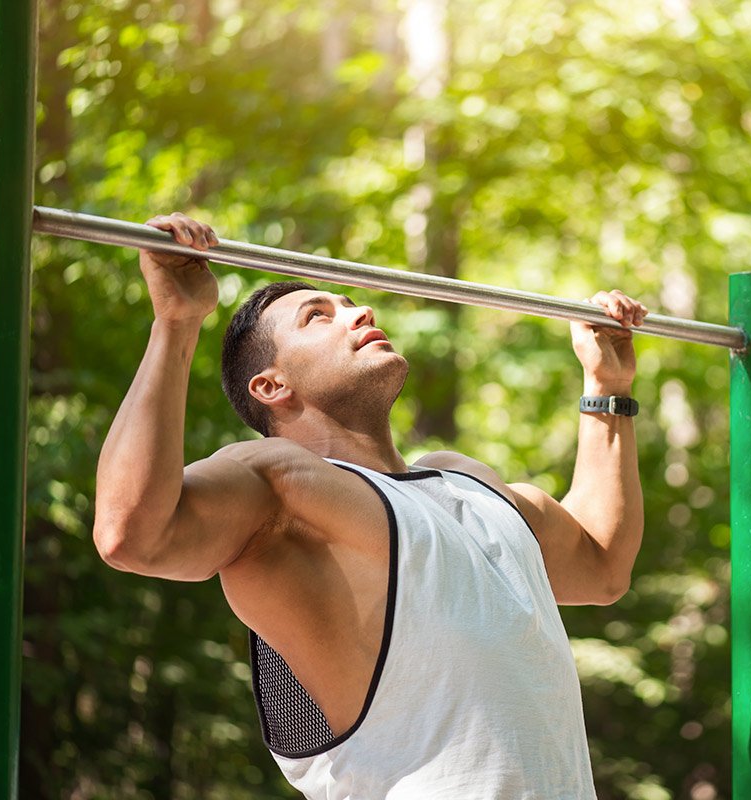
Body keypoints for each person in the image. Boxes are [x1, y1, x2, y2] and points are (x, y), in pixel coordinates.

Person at [93, 212, 648, 799]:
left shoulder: (469, 483)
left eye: (350, 302)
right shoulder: (279, 481)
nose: (361, 313)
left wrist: (606, 388)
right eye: (319, 316)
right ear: (271, 385)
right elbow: (131, 534)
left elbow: (602, 561)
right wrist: (176, 323)